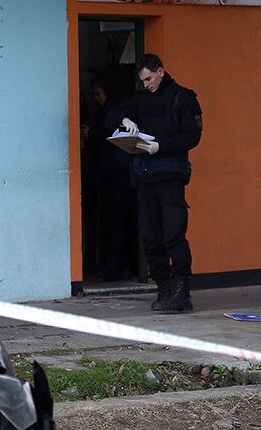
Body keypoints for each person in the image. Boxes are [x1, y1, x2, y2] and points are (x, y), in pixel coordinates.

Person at [107, 53, 202, 312]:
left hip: (170, 176)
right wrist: (123, 120)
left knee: (173, 234)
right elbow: (116, 111)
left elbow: (192, 137)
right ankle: (164, 288)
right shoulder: (140, 99)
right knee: (150, 238)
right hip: (144, 176)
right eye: (142, 80)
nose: (146, 84)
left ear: (161, 71)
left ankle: (182, 290)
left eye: (149, 78)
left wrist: (160, 147)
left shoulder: (183, 98)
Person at [83, 76, 134, 281]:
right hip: (121, 171)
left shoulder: (114, 109)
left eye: (98, 94)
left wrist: (91, 133)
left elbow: (108, 131)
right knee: (121, 223)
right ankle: (123, 268)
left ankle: (114, 269)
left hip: (115, 172)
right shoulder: (123, 107)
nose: (97, 99)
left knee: (114, 223)